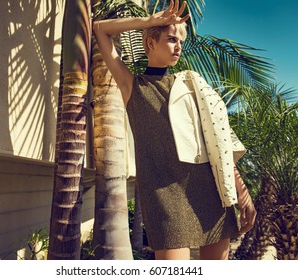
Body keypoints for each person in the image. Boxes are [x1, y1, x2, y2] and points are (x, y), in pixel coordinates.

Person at [93, 0, 256, 260]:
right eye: (171, 39)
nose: (178, 46)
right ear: (150, 43)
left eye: (180, 41)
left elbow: (216, 142)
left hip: (209, 192)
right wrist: (149, 22)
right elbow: (101, 29)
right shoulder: (133, 87)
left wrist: (241, 192)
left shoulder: (190, 87)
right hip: (165, 200)